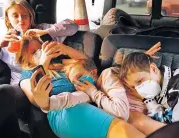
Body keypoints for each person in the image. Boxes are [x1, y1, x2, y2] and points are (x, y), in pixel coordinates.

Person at [0, 0, 79, 138]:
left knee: (39, 106)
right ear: (8, 18)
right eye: (15, 16)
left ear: (31, 16)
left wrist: (46, 32)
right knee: (0, 92)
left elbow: (72, 26)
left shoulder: (41, 30)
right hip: (22, 86)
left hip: (49, 78)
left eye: (25, 15)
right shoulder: (5, 39)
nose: (21, 20)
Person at [17, 36, 146, 138]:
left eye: (40, 49)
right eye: (33, 52)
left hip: (92, 98)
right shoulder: (28, 73)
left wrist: (64, 49)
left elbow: (87, 63)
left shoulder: (60, 63)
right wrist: (43, 63)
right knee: (122, 130)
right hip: (64, 108)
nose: (39, 53)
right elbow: (36, 99)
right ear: (24, 59)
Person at [119, 52, 179, 123]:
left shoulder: (176, 83)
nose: (139, 90)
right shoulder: (158, 92)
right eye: (134, 87)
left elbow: (170, 125)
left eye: (140, 81)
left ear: (153, 69)